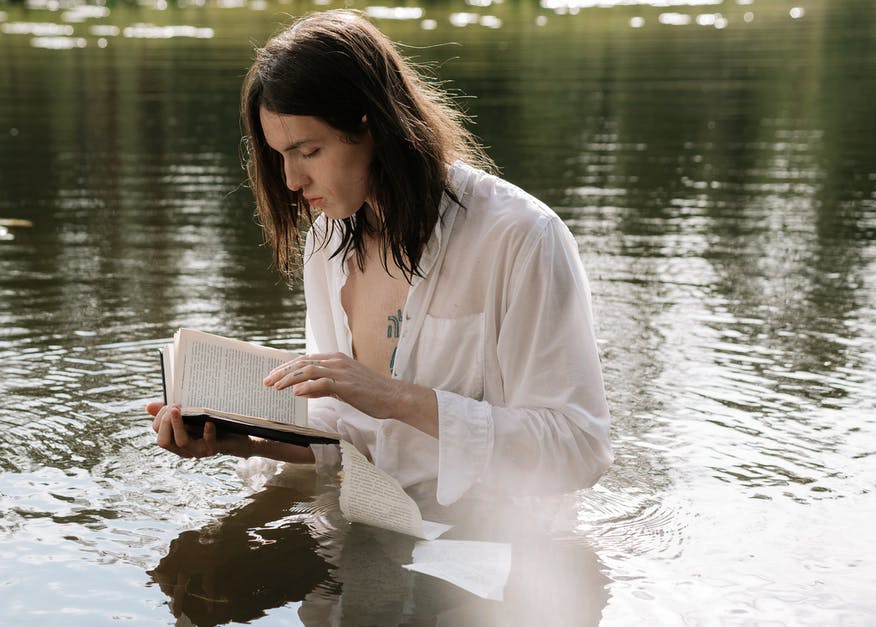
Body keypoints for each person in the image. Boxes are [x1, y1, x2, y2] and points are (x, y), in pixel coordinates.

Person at [149, 9, 612, 510]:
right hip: (373, 519)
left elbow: (579, 450)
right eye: (280, 154)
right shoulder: (327, 240)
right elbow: (345, 435)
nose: (290, 180)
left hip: (493, 552)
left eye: (308, 150)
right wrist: (232, 439)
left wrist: (392, 396)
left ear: (372, 123)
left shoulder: (521, 238)